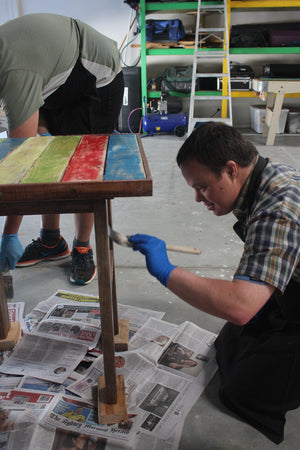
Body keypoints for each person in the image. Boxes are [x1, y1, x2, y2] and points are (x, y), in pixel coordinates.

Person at [129, 122, 300, 444]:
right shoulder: (264, 178)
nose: (198, 198)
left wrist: (166, 271)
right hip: (293, 286)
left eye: (203, 186)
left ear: (231, 169)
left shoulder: (277, 207)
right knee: (228, 346)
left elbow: (240, 307)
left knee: (244, 393)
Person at [0, 13, 124, 284]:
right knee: (48, 152)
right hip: (57, 77)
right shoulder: (13, 70)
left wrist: (9, 232)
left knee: (84, 166)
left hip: (97, 79)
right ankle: (50, 242)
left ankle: (82, 246)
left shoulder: (14, 74)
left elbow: (22, 159)